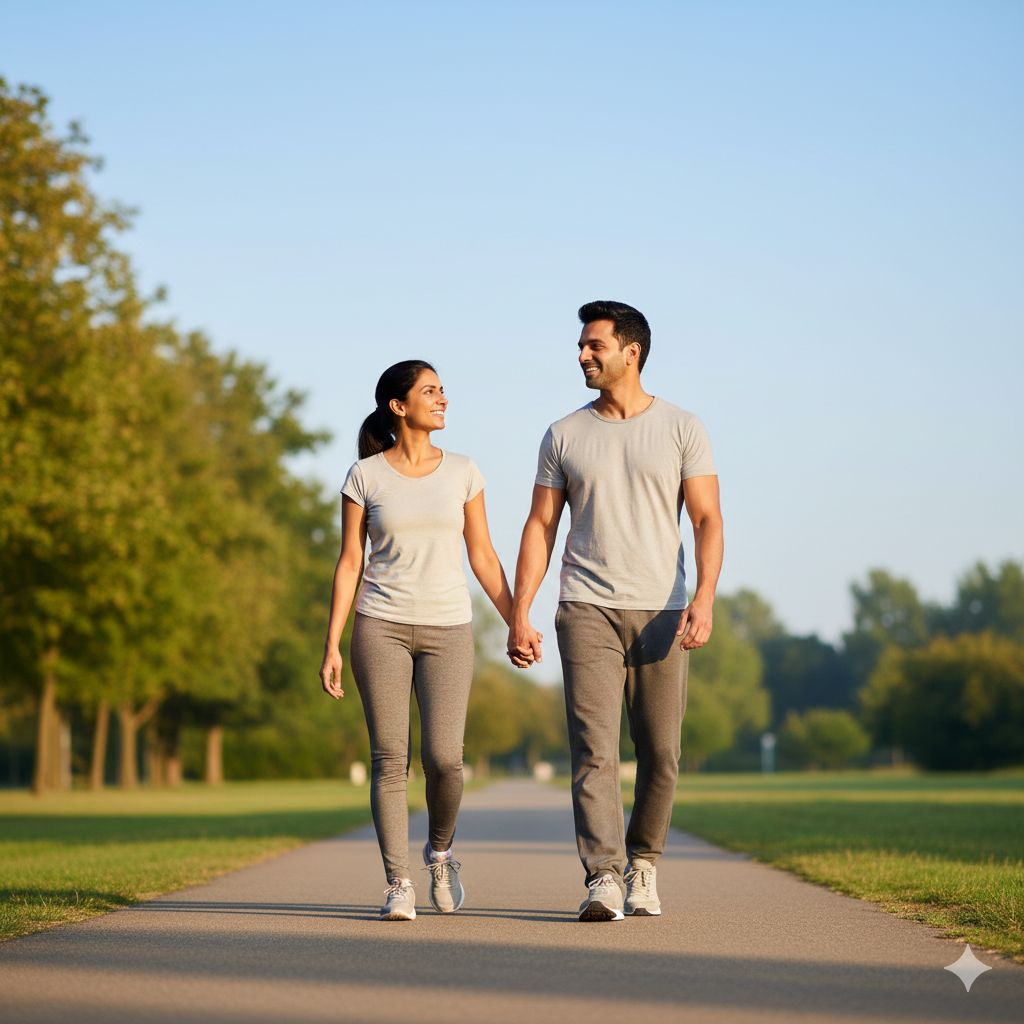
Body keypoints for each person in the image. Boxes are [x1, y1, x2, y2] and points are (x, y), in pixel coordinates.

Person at [508, 301, 724, 921]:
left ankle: (644, 865)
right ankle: (603, 874)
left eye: (593, 345)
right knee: (593, 747)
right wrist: (521, 612)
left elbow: (707, 519)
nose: (582, 355)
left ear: (631, 351)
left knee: (661, 749)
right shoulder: (563, 434)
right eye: (580, 345)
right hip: (586, 606)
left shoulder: (683, 427)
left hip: (663, 609)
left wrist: (704, 597)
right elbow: (541, 525)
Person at [320, 359, 518, 921]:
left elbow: (482, 554)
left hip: (449, 628)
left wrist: (515, 619)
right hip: (378, 625)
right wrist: (333, 644)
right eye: (430, 391)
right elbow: (349, 562)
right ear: (398, 406)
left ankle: (439, 851)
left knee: (444, 760)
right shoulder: (365, 476)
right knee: (390, 760)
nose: (443, 398)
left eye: (443, 389)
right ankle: (398, 882)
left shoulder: (463, 471)